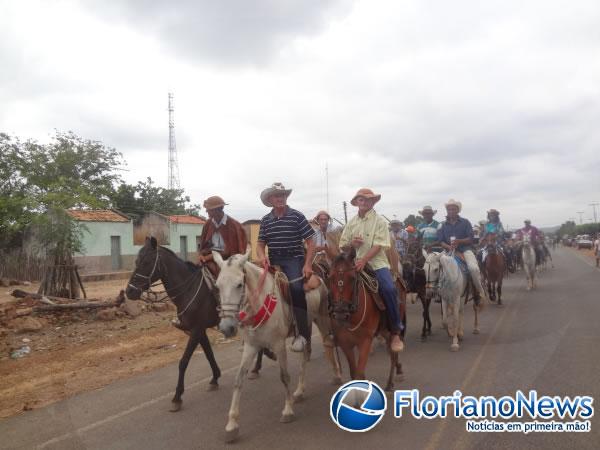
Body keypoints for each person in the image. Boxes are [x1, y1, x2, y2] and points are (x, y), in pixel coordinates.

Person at [339, 188, 404, 353]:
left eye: (368, 200)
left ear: (373, 202)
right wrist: (352, 245)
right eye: (361, 199)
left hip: (376, 263)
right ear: (357, 202)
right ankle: (337, 330)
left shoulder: (380, 222)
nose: (365, 202)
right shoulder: (351, 223)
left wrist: (364, 260)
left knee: (389, 289)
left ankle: (395, 330)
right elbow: (343, 246)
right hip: (354, 262)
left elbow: (379, 245)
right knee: (337, 287)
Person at [256, 182, 315, 352]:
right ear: (270, 199)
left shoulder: (297, 216)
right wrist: (262, 257)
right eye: (276, 195)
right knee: (260, 289)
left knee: (296, 289)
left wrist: (308, 264)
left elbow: (311, 242)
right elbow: (260, 245)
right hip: (273, 259)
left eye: (282, 195)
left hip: (293, 259)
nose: (280, 198)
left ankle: (302, 334)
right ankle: (261, 331)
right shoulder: (266, 220)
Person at [437, 199, 487, 304]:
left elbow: (471, 238)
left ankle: (479, 291)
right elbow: (441, 241)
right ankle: (438, 291)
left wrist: (459, 241)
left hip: (465, 250)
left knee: (473, 268)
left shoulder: (465, 222)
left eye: (453, 209)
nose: (451, 211)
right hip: (448, 251)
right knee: (433, 267)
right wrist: (448, 247)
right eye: (449, 209)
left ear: (458, 210)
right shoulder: (442, 225)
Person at [197, 196, 248, 277]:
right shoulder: (207, 224)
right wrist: (201, 255)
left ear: (218, 210)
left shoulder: (234, 226)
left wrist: (210, 257)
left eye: (209, 209)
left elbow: (232, 251)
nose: (206, 211)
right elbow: (203, 244)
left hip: (228, 262)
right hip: (208, 259)